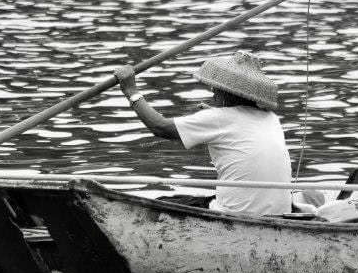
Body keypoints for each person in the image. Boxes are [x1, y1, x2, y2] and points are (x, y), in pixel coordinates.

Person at [114, 50, 292, 216]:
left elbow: (159, 127)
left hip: (236, 214)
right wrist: (214, 116)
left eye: (216, 88)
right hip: (279, 212)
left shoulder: (218, 119)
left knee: (161, 204)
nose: (213, 93)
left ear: (227, 93)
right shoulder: (271, 119)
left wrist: (131, 91)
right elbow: (236, 125)